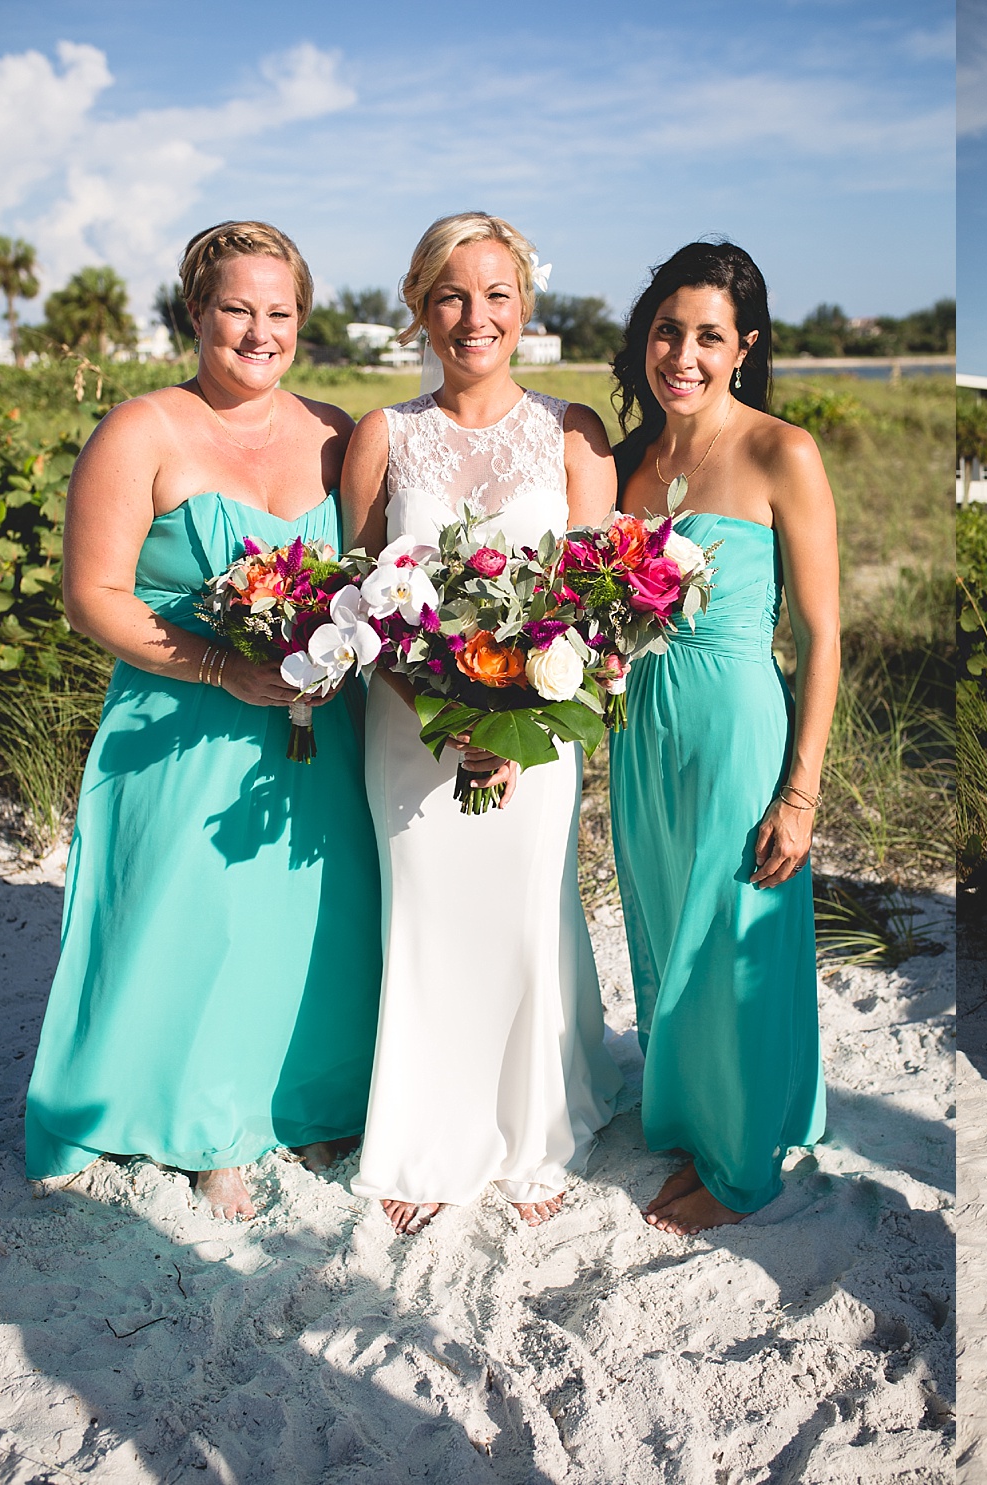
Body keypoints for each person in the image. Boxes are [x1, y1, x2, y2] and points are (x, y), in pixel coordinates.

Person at [26, 221, 382, 1219]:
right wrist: (225, 669)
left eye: (280, 312)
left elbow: (374, 578)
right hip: (184, 715)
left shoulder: (337, 431)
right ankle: (204, 1124)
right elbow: (92, 593)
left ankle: (308, 1099)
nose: (259, 332)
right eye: (237, 309)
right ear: (196, 313)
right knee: (202, 918)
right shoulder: (141, 430)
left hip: (321, 723)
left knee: (319, 916)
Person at [341, 213, 622, 1234]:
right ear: (421, 308)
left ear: (525, 307)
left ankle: (536, 1127)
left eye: (497, 295)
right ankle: (424, 1134)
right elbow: (359, 602)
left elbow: (598, 603)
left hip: (538, 728)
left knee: (521, 912)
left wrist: (511, 718)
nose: (476, 317)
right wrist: (450, 716)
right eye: (453, 296)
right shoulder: (385, 434)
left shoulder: (571, 432)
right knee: (425, 910)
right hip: (411, 726)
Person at [608, 241, 839, 1236]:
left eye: (709, 335)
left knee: (730, 933)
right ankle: (697, 1117)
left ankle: (741, 1168)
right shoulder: (631, 460)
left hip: (736, 718)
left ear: (745, 346)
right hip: (640, 723)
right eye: (668, 330)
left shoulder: (781, 450)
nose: (684, 354)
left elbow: (825, 634)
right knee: (665, 929)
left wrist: (802, 792)